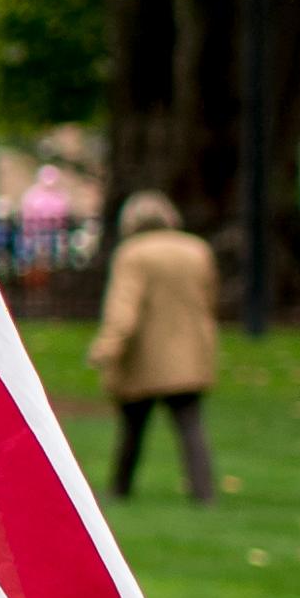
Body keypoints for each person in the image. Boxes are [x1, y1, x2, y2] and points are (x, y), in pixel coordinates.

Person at [90, 189, 222, 503]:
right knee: (190, 424)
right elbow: (210, 298)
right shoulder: (196, 249)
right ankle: (204, 492)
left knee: (133, 425)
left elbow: (123, 308)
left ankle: (120, 487)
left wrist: (106, 347)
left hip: (144, 353)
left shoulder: (133, 254)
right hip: (190, 349)